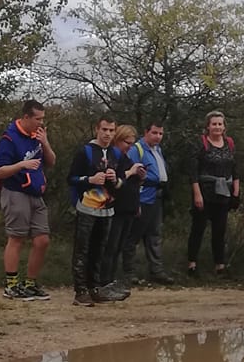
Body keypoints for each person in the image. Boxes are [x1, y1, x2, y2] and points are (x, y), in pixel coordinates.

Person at [0, 99, 56, 300]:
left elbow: (51, 162)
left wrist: (45, 142)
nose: (41, 123)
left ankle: (30, 283)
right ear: (26, 117)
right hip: (16, 192)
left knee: (42, 240)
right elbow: (0, 171)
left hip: (36, 192)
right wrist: (21, 165)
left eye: (43, 119)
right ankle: (12, 285)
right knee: (17, 238)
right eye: (37, 119)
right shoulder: (9, 138)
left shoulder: (37, 137)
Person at [67, 114, 126, 305]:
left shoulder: (116, 153)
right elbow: (71, 178)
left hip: (107, 209)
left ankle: (95, 287)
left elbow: (123, 181)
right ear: (97, 130)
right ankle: (80, 290)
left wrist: (115, 180)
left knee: (99, 249)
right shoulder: (85, 151)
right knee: (82, 249)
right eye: (104, 130)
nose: (107, 134)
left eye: (111, 130)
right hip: (87, 207)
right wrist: (89, 179)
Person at [187, 111, 240, 277]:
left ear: (224, 127)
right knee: (198, 228)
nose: (217, 127)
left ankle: (219, 265)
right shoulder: (201, 143)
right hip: (205, 191)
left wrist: (236, 192)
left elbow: (234, 168)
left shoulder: (229, 143)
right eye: (214, 124)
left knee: (220, 230)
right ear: (208, 126)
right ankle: (192, 264)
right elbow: (193, 172)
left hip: (224, 192)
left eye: (220, 124)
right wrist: (197, 194)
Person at [99, 123, 147, 300]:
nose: (130, 147)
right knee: (110, 247)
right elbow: (115, 183)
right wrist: (130, 172)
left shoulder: (126, 157)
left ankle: (110, 282)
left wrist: (140, 177)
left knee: (118, 247)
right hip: (115, 209)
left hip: (129, 208)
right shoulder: (112, 158)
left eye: (132, 143)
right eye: (127, 142)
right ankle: (102, 283)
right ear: (118, 140)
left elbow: (131, 184)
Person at [126, 121, 174, 286]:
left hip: (157, 196)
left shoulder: (157, 149)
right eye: (154, 133)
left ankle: (156, 271)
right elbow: (131, 174)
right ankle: (129, 272)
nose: (158, 137)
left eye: (161, 133)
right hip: (143, 197)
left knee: (154, 234)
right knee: (134, 235)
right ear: (146, 132)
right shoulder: (137, 150)